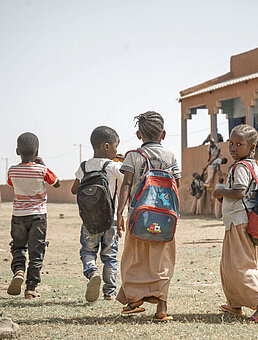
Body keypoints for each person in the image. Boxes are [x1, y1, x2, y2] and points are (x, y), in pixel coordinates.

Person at [115, 111, 180, 322]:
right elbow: (176, 185)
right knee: (162, 261)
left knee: (134, 259)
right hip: (165, 219)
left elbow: (125, 184)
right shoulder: (170, 156)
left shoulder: (133, 156)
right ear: (163, 134)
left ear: (138, 134)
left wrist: (119, 212)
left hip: (138, 218)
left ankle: (134, 301)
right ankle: (161, 309)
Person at [213, 124, 258, 324]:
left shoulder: (240, 167)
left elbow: (239, 192)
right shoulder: (254, 165)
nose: (234, 148)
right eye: (231, 143)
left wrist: (220, 190)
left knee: (241, 266)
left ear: (252, 147)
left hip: (239, 222)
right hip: (241, 221)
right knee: (228, 265)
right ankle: (234, 304)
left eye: (239, 144)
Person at [70, 126, 123, 302]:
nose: (117, 150)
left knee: (87, 251)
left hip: (89, 221)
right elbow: (127, 180)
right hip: (111, 221)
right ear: (107, 146)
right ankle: (109, 293)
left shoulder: (84, 166)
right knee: (110, 257)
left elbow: (74, 189)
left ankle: (92, 271)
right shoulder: (114, 167)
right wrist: (121, 164)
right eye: (116, 146)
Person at [6, 132, 60, 299]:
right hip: (38, 216)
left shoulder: (12, 171)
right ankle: (31, 288)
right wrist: (44, 164)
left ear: (17, 151)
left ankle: (19, 270)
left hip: (18, 216)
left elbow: (11, 183)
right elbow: (57, 183)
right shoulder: (42, 170)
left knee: (18, 247)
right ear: (37, 152)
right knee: (37, 252)